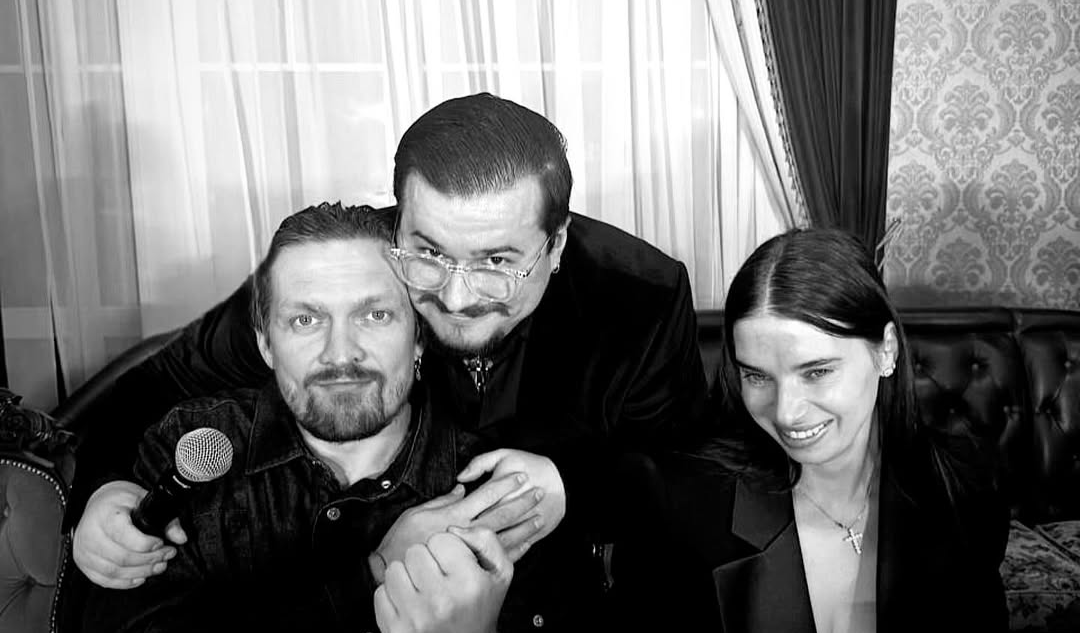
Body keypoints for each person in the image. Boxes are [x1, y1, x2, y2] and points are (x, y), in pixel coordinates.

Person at [73, 92, 708, 590]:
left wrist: (575, 484)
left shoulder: (642, 296)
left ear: (557, 243)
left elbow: (690, 478)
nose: (455, 300)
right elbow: (148, 389)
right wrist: (103, 494)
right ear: (397, 218)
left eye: (496, 262)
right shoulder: (334, 271)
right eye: (427, 252)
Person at [77, 202, 584, 633]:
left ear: (419, 338)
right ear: (266, 344)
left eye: (375, 315)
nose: (340, 354)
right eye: (306, 320)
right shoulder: (192, 449)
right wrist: (371, 577)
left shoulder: (495, 490)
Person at [611, 228, 1014, 633]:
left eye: (817, 371)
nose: (786, 412)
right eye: (758, 377)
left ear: (886, 351)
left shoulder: (963, 486)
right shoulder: (683, 504)